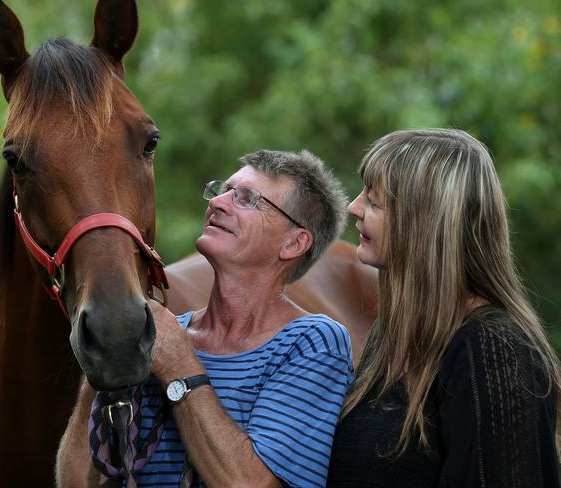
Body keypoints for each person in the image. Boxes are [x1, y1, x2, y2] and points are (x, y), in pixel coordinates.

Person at [327, 128, 561, 487]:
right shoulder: (392, 335)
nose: (353, 208)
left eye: (373, 201)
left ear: (423, 222)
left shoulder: (494, 349)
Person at [139, 149, 354, 487]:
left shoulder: (312, 342)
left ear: (294, 243)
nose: (218, 203)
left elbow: (253, 484)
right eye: (222, 190)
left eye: (247, 199)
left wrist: (179, 367)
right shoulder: (165, 336)